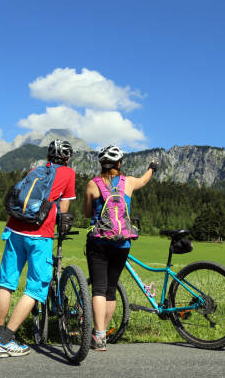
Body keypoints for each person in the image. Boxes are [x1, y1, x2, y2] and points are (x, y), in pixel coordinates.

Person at [0, 139, 76, 358]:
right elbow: (63, 211)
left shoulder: (36, 169)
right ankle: (6, 341)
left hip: (14, 229)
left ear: (49, 155)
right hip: (39, 235)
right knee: (36, 287)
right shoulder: (68, 174)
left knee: (7, 283)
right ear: (67, 158)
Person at [83, 145, 158, 351]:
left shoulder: (93, 184)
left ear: (101, 164)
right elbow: (144, 179)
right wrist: (152, 167)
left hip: (99, 242)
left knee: (98, 288)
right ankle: (102, 334)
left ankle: (98, 336)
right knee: (110, 290)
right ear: (119, 163)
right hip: (123, 243)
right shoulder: (130, 182)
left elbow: (87, 212)